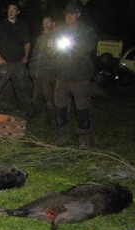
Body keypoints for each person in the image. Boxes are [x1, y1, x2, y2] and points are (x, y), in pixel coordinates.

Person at [52, 1, 97, 149]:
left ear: (78, 15)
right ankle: (62, 134)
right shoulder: (60, 30)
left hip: (80, 75)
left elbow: (90, 46)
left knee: (82, 106)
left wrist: (74, 44)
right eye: (67, 14)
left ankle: (84, 137)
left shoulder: (87, 30)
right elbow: (54, 50)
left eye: (72, 14)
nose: (69, 17)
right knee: (60, 105)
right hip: (62, 75)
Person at [0, 2, 32, 116]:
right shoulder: (0, 26)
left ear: (18, 12)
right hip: (4, 64)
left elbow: (27, 42)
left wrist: (26, 56)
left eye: (14, 9)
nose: (11, 11)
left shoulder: (23, 25)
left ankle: (25, 113)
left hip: (19, 64)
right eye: (9, 9)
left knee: (22, 90)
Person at [28, 14, 56, 123]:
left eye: (47, 22)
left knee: (50, 98)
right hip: (37, 73)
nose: (45, 25)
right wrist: (31, 69)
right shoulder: (40, 39)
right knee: (36, 97)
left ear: (53, 23)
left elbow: (57, 57)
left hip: (48, 74)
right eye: (43, 23)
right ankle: (36, 117)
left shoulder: (56, 38)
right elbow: (34, 55)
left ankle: (52, 119)